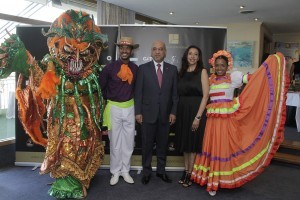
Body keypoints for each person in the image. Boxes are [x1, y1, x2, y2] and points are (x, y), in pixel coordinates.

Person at [191, 50, 288, 196]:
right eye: (217, 65)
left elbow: (254, 79)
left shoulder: (233, 77)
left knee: (222, 148)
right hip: (212, 121)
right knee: (211, 148)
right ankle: (211, 180)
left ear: (228, 65)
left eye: (222, 65)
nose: (219, 68)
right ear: (213, 66)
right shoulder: (209, 79)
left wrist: (267, 67)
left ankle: (220, 180)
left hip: (226, 122)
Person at [135, 40, 179, 185]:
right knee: (147, 145)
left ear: (165, 52)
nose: (158, 52)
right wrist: (138, 112)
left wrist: (173, 112)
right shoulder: (143, 68)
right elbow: (138, 93)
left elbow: (175, 94)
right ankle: (146, 172)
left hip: (165, 115)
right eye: (155, 49)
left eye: (161, 49)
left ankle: (161, 171)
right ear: (151, 52)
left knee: (162, 145)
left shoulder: (172, 69)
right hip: (147, 114)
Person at [99, 37, 139, 186]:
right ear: (119, 49)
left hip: (130, 108)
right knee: (115, 142)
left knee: (128, 142)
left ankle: (125, 171)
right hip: (114, 108)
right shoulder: (109, 68)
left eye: (127, 48)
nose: (124, 50)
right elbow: (101, 87)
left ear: (131, 51)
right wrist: (109, 101)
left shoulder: (135, 69)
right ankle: (115, 172)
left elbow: (137, 90)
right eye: (122, 47)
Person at [175, 45, 209, 187]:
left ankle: (190, 173)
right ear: (186, 55)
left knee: (193, 143)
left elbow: (206, 95)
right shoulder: (181, 72)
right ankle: (186, 170)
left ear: (199, 57)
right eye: (190, 54)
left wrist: (198, 117)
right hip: (182, 110)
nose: (193, 56)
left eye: (196, 54)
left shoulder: (202, 71)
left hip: (196, 110)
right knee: (185, 143)